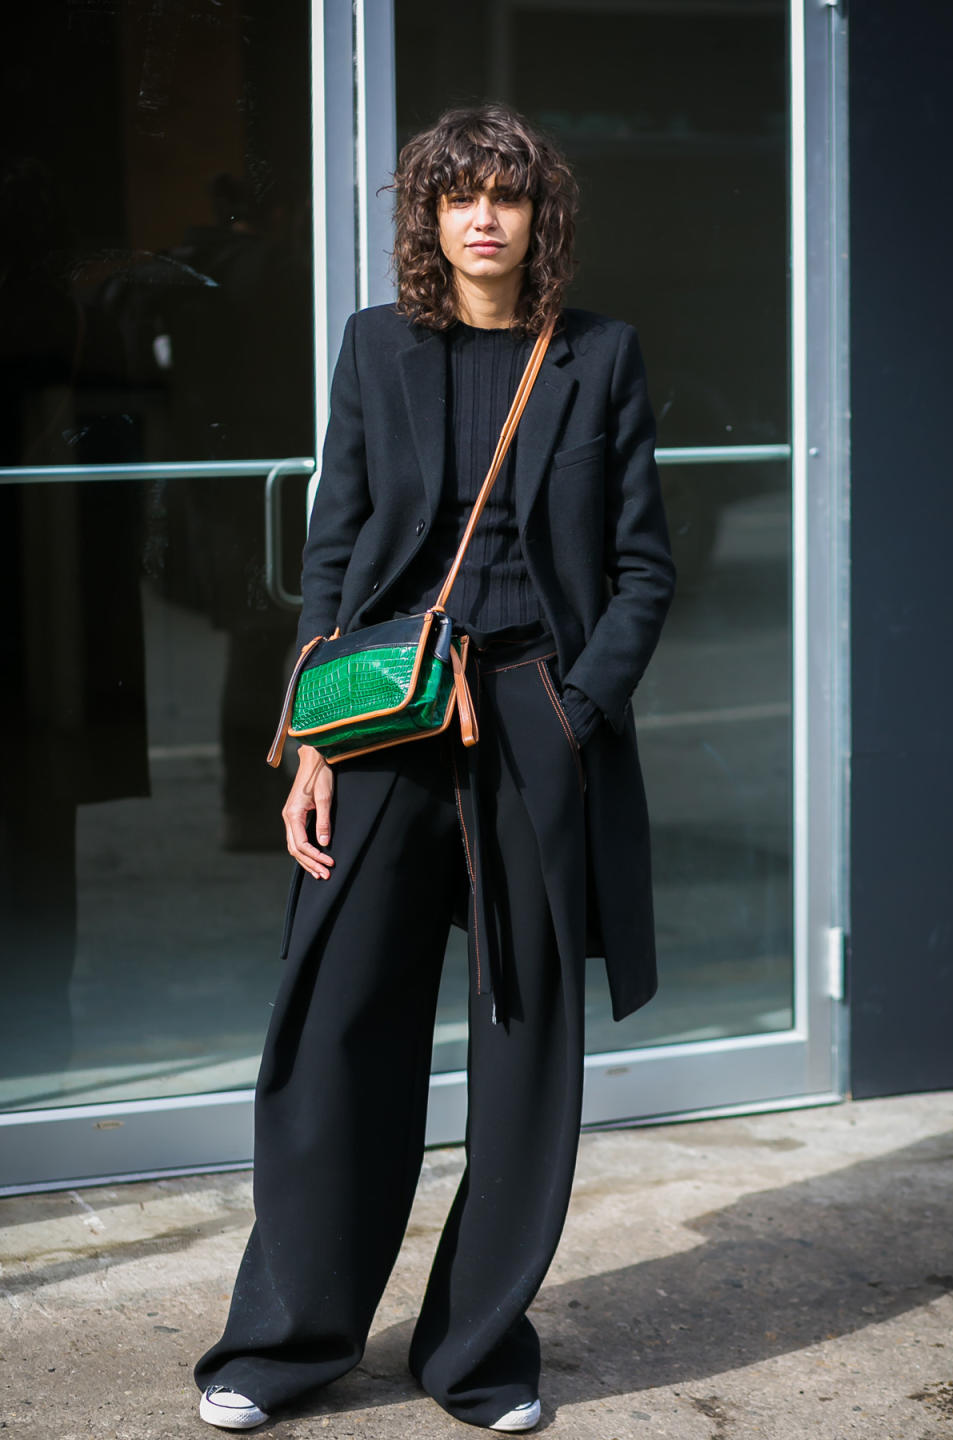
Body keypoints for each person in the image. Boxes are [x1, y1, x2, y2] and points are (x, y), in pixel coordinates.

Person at [194, 103, 675, 1433]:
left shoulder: (601, 358)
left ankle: (474, 1351)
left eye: (507, 196)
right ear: (429, 217)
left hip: (534, 715)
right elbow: (335, 554)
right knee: (336, 1029)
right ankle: (286, 1346)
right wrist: (308, 743)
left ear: (538, 218)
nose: (482, 216)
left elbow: (644, 572)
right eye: (458, 195)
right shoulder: (376, 348)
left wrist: (574, 713)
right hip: (387, 714)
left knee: (524, 1055)